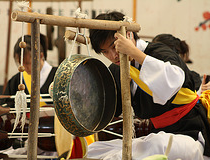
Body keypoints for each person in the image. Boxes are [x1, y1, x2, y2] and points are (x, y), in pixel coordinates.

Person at [88, 11, 210, 160]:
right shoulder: (117, 68)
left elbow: (173, 81)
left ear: (129, 36)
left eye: (114, 46)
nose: (113, 56)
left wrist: (133, 52)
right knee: (94, 149)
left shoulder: (160, 52)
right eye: (105, 52)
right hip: (157, 134)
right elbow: (112, 107)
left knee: (158, 145)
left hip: (189, 135)